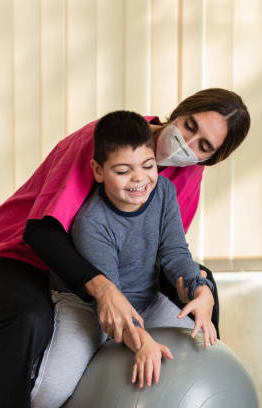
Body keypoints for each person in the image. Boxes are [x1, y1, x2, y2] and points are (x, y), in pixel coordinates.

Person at [0, 88, 250, 407]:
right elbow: (42, 233)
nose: (188, 144)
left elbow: (168, 253)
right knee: (30, 318)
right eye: (189, 125)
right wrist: (112, 299)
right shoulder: (105, 142)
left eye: (204, 146)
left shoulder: (189, 171)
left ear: (212, 157)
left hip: (92, 274)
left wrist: (197, 288)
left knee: (205, 287)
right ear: (180, 111)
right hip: (14, 261)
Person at [30, 110, 218, 408]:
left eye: (148, 166)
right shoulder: (91, 222)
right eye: (122, 171)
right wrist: (140, 340)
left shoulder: (165, 192)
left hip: (147, 300)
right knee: (49, 391)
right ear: (98, 171)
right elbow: (110, 301)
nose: (139, 179)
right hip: (89, 306)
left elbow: (174, 253)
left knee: (202, 358)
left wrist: (200, 287)